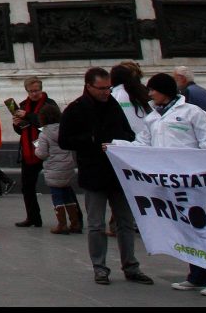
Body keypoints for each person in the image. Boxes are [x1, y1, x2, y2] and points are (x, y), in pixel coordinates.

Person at [122, 73, 206, 296]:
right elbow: (142, 144)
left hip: (194, 181)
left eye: (153, 90)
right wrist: (117, 147)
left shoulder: (192, 113)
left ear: (163, 91)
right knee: (186, 230)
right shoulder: (152, 117)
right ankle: (196, 275)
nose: (150, 93)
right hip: (169, 183)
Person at [58, 66, 152, 286]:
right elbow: (64, 140)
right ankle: (100, 267)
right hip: (93, 172)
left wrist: (123, 142)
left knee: (125, 222)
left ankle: (131, 265)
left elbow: (127, 132)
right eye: (101, 88)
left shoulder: (113, 105)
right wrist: (90, 140)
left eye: (108, 88)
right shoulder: (76, 109)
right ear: (88, 86)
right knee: (96, 224)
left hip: (118, 172)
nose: (105, 92)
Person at [12, 76, 56, 229]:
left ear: (41, 89)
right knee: (27, 186)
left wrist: (28, 116)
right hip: (29, 150)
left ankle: (74, 217)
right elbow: (21, 130)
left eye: (36, 90)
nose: (34, 94)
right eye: (31, 91)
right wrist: (17, 124)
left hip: (48, 149)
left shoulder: (50, 104)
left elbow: (50, 124)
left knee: (59, 183)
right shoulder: (23, 106)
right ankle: (33, 217)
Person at [32, 104, 80, 236]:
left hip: (53, 168)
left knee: (57, 196)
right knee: (68, 194)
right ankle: (75, 223)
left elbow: (41, 153)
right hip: (68, 166)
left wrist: (35, 149)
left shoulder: (44, 134)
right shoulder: (65, 129)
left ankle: (62, 224)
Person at [172, 66, 206, 139]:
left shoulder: (187, 92)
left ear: (182, 78)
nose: (174, 83)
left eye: (175, 79)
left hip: (202, 137)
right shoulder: (205, 92)